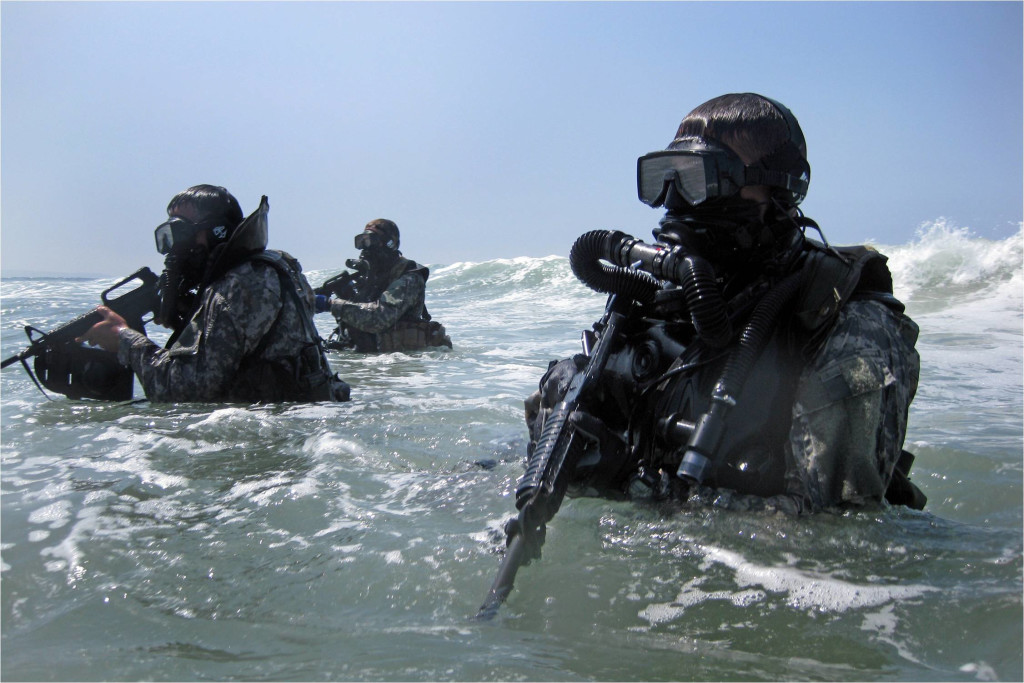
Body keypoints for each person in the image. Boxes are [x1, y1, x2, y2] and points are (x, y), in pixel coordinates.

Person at [523, 93, 924, 516]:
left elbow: (833, 535)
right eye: (665, 177)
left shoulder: (845, 325)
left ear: (778, 191)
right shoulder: (656, 305)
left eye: (700, 177)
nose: (675, 200)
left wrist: (627, 487)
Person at [78, 184, 350, 403]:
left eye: (181, 232)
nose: (176, 247)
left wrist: (124, 339)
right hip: (305, 426)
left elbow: (187, 392)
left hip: (262, 445)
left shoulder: (236, 286)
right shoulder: (276, 265)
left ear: (217, 231)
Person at [314, 219, 452, 353]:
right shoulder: (372, 277)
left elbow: (379, 318)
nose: (365, 248)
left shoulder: (409, 277)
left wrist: (330, 304)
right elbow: (362, 312)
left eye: (371, 240)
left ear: (389, 244)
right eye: (362, 241)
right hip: (367, 362)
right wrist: (348, 296)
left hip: (398, 367)